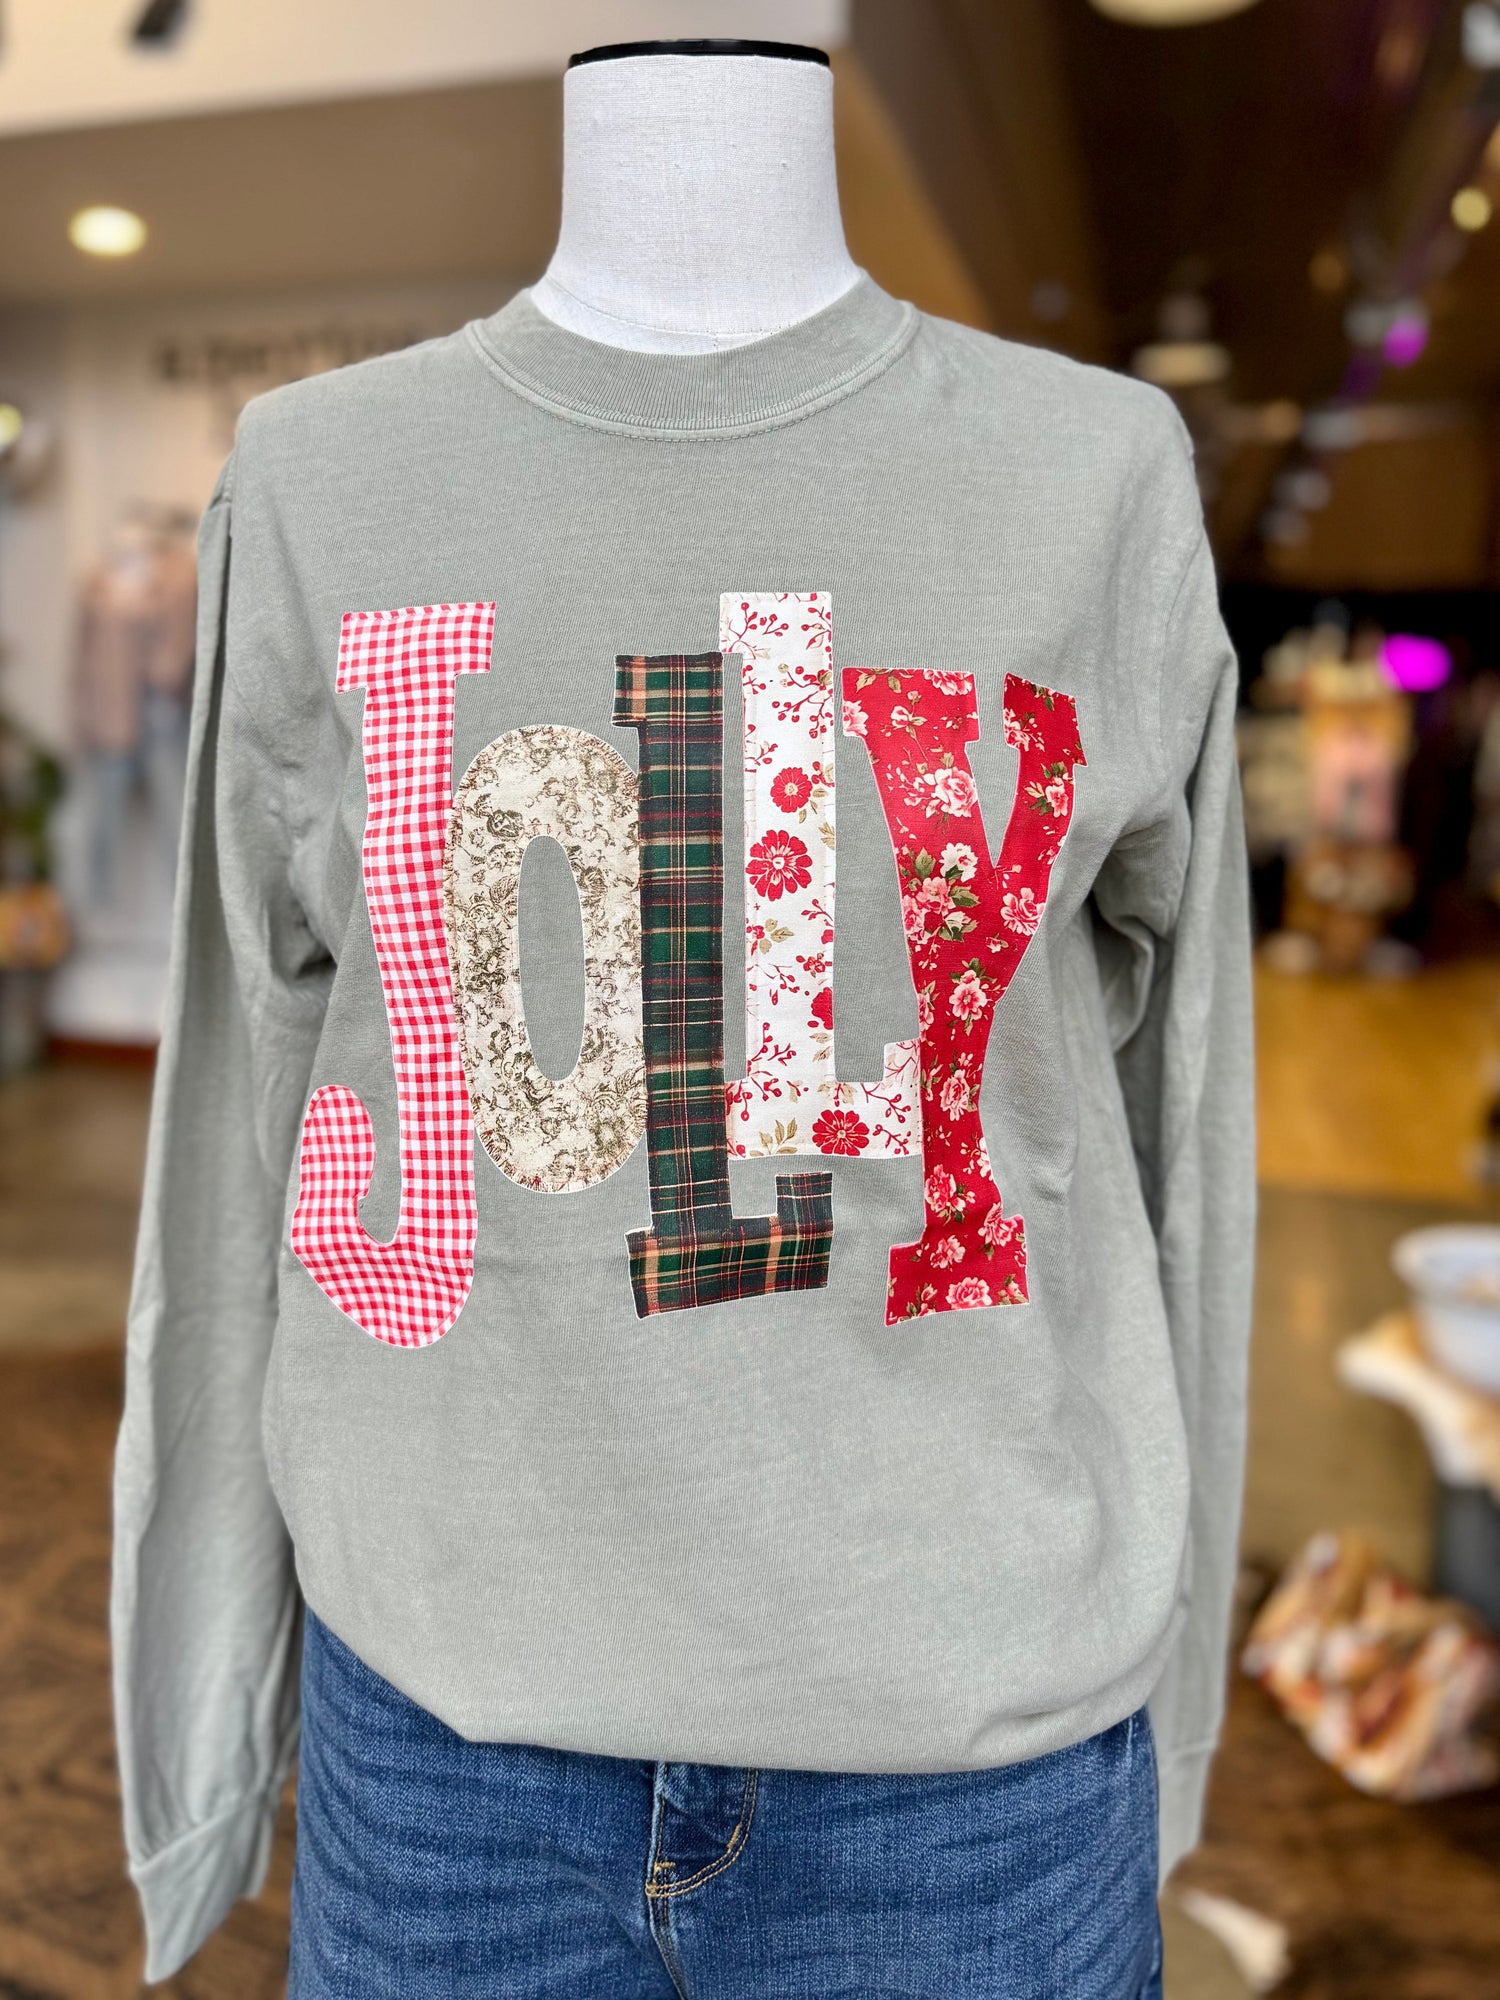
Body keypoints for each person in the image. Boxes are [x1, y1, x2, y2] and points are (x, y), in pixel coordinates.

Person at [112, 40, 1254, 1999]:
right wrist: (205, 1728)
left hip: (968, 1749)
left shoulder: (1096, 477)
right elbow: (237, 1141)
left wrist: (1182, 1703)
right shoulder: (317, 484)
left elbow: (1186, 1139)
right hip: (449, 1732)